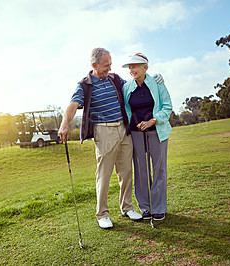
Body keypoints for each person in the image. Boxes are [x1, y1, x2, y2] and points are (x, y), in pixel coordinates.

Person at [59, 48, 163, 229]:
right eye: (106, 65)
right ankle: (102, 214)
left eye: (110, 64)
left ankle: (127, 207)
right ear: (94, 65)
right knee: (104, 174)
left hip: (124, 129)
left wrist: (155, 79)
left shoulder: (114, 79)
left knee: (126, 172)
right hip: (103, 131)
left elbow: (135, 84)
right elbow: (73, 105)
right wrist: (64, 123)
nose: (110, 68)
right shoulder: (85, 85)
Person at [122, 53, 173, 221]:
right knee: (140, 170)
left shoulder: (158, 83)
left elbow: (167, 107)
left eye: (134, 66)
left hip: (157, 131)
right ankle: (145, 208)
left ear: (145, 67)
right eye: (129, 67)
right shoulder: (126, 87)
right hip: (136, 133)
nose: (131, 69)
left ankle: (159, 208)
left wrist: (153, 120)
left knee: (159, 169)